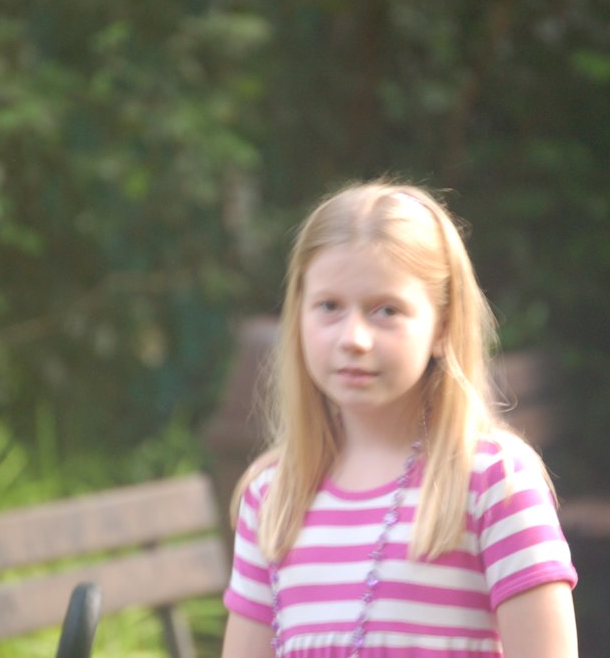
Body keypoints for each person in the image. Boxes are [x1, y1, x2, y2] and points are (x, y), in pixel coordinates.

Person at [221, 181, 578, 657]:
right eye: (329, 306)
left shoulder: (495, 483)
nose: (354, 338)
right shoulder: (272, 499)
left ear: (442, 327)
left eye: (385, 310)